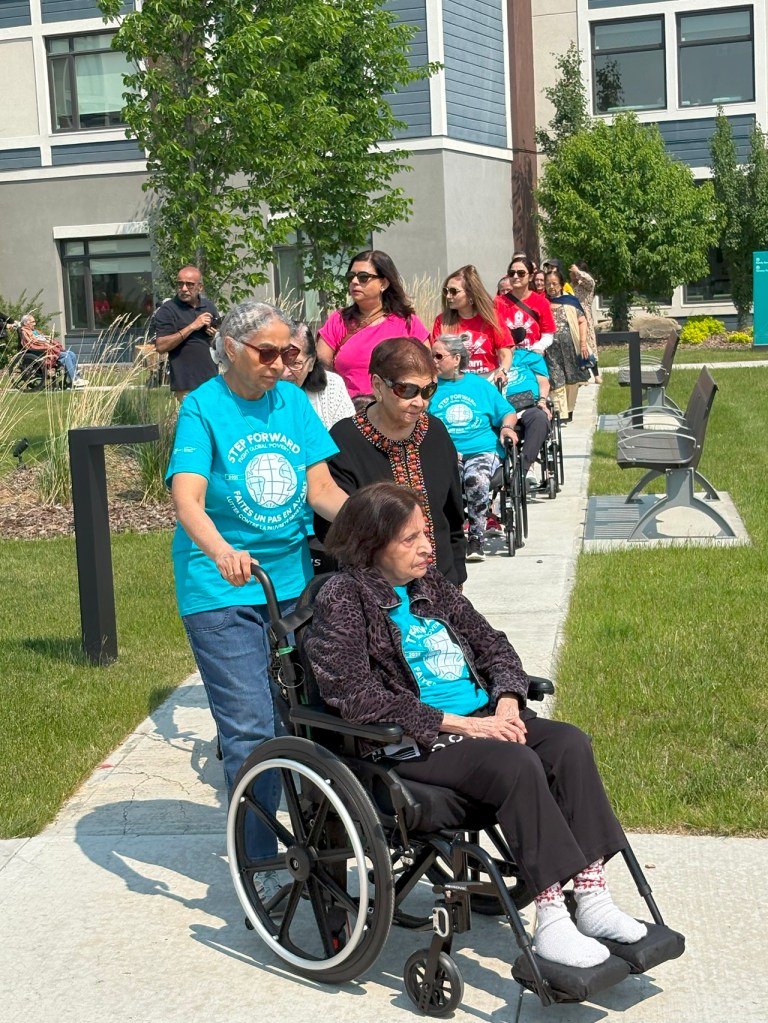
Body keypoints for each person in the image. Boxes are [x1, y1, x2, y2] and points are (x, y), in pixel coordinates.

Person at [306, 482, 648, 971]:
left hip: (484, 723)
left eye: (426, 533)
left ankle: (591, 899)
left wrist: (507, 699)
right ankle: (552, 919)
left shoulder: (432, 585)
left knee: (570, 743)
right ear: (371, 543)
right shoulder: (344, 597)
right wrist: (463, 725)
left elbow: (493, 645)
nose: (428, 547)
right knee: (517, 764)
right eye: (410, 539)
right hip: (414, 742)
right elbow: (355, 695)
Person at [166, 299, 348, 898]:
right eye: (265, 352)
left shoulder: (293, 403)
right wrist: (221, 549)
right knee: (250, 728)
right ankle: (260, 868)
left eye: (288, 353)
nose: (279, 363)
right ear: (230, 347)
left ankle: (325, 840)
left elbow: (320, 488)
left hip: (290, 585)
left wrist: (376, 534)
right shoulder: (203, 407)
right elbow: (188, 497)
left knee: (307, 716)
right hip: (221, 586)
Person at [318, 336, 466, 586]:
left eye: (428, 390)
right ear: (378, 385)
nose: (420, 402)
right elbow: (334, 532)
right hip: (374, 594)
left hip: (442, 586)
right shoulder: (345, 439)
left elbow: (453, 516)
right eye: (407, 390)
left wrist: (457, 578)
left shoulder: (436, 432)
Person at [430, 333, 517, 562]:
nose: (434, 361)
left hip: (482, 449)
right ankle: (453, 534)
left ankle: (476, 536)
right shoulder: (429, 389)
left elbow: (507, 411)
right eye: (431, 356)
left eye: (438, 356)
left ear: (457, 358)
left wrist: (507, 428)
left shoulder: (479, 385)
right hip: (447, 452)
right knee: (450, 478)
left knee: (475, 479)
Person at [316, 249, 429, 404]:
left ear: (383, 283)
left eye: (363, 277)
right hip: (349, 413)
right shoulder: (338, 320)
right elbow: (321, 368)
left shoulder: (407, 322)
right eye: (351, 277)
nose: (354, 282)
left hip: (396, 413)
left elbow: (426, 370)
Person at [429, 265, 510, 379]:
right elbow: (435, 357)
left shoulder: (492, 317)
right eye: (446, 291)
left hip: (487, 381)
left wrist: (503, 372)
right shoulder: (441, 321)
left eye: (453, 291)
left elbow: (505, 353)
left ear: (471, 294)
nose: (448, 296)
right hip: (455, 382)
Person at [153, 264, 219, 402]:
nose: (183, 289)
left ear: (200, 287)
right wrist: (193, 326)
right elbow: (161, 346)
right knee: (194, 422)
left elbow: (218, 342)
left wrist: (214, 334)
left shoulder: (208, 306)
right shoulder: (168, 310)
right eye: (180, 284)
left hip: (212, 380)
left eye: (189, 285)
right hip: (186, 383)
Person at [281, 321, 355, 429]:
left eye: (295, 364)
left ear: (311, 363)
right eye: (279, 362)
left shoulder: (332, 386)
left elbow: (346, 435)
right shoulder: (259, 389)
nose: (284, 373)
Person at [504, 332, 553, 488]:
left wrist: (543, 401)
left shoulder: (530, 358)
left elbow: (543, 383)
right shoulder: (489, 363)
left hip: (529, 405)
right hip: (502, 409)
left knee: (539, 418)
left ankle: (523, 470)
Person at [544, 269, 591, 422]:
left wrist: (583, 344)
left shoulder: (570, 302)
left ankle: (569, 410)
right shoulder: (542, 303)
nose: (551, 287)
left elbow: (582, 320)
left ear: (561, 285)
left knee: (571, 380)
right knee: (556, 379)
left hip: (570, 348)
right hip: (550, 351)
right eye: (548, 284)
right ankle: (560, 414)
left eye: (554, 284)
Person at [494, 257, 555, 354]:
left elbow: (547, 335)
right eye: (511, 273)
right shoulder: (498, 302)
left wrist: (538, 347)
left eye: (521, 273)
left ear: (530, 277)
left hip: (532, 359)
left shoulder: (542, 302)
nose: (515, 276)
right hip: (506, 360)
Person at [18, 314, 87, 388]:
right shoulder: (25, 332)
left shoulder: (34, 331)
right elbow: (31, 344)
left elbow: (42, 338)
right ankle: (74, 379)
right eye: (32, 322)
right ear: (25, 323)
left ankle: (75, 378)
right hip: (42, 352)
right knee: (66, 356)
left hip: (47, 348)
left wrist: (49, 341)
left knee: (71, 354)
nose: (34, 324)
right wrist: (46, 345)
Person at [569, 261, 602, 384]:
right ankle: (580, 374)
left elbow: (590, 280)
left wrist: (578, 272)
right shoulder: (570, 286)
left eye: (572, 272)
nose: (571, 274)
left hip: (585, 317)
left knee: (589, 345)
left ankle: (596, 374)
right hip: (572, 317)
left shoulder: (586, 285)